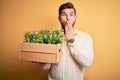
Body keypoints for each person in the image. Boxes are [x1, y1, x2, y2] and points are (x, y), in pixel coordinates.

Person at [40, 2, 94, 80]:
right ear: (59, 18)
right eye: (64, 14)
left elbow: (87, 63)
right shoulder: (51, 37)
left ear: (75, 17)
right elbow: (46, 67)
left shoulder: (85, 37)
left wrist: (71, 41)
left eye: (71, 14)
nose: (68, 18)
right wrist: (42, 58)